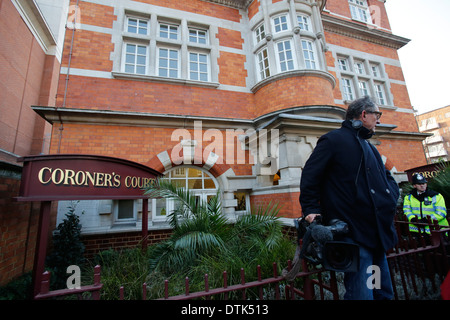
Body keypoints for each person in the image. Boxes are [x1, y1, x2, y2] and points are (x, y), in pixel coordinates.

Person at [299, 96, 400, 300]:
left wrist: (391, 198)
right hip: (354, 235)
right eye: (377, 115)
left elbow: (388, 179)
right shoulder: (333, 140)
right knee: (362, 295)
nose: (378, 121)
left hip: (377, 235)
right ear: (364, 115)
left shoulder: (371, 148)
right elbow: (310, 176)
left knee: (383, 293)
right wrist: (310, 211)